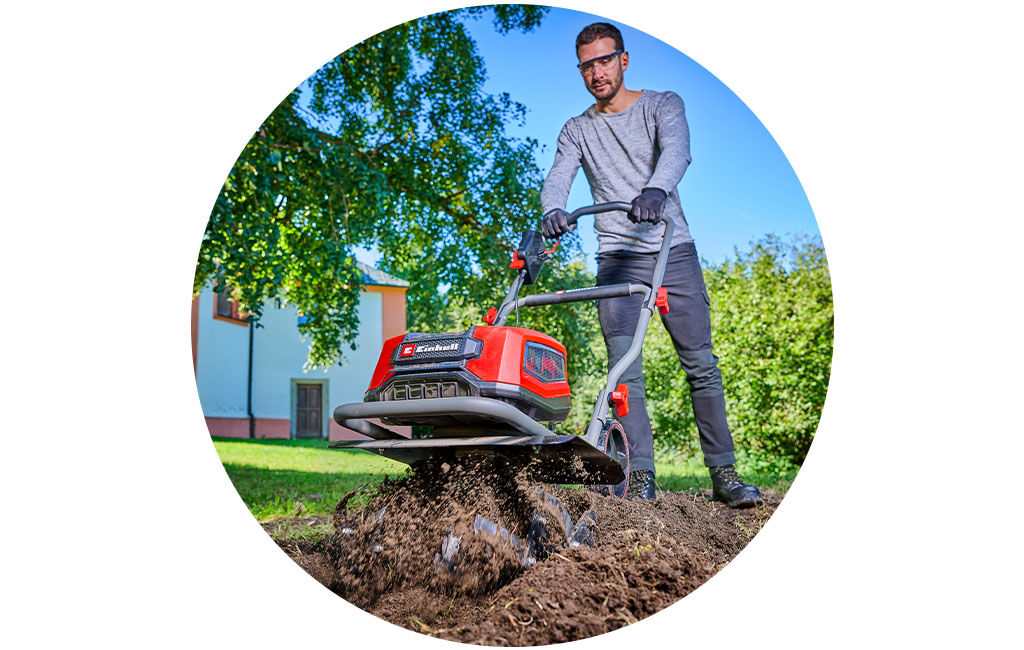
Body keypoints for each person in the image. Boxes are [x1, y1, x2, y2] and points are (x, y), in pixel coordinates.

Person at [539, 22, 762, 507]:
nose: (596, 72)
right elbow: (559, 174)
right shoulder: (577, 129)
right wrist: (553, 210)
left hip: (671, 248)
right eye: (586, 65)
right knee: (624, 372)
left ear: (623, 59)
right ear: (580, 71)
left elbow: (677, 152)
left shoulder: (664, 104)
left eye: (604, 60)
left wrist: (657, 190)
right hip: (616, 261)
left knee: (701, 365)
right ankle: (640, 477)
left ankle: (724, 474)